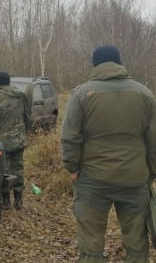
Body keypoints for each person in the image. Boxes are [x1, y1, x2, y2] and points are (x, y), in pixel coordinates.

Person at [61, 45, 156, 263]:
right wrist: (152, 171)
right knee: (137, 241)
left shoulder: (82, 93)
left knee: (91, 241)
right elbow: (154, 140)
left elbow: (70, 136)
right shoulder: (144, 93)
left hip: (93, 179)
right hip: (135, 177)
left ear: (95, 64)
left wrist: (72, 167)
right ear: (119, 62)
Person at [0, 71, 30, 210]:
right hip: (19, 139)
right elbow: (27, 116)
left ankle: (6, 202)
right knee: (18, 169)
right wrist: (23, 133)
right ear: (9, 81)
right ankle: (19, 200)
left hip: (2, 142)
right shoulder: (21, 95)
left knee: (3, 170)